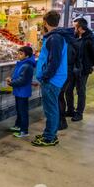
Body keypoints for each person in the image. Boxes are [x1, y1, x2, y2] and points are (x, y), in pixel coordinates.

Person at [32, 11, 68, 147]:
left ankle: (49, 138)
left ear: (45, 22)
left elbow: (55, 62)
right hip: (54, 78)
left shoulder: (55, 38)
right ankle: (50, 133)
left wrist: (45, 76)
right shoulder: (56, 37)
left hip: (52, 80)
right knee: (52, 108)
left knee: (51, 109)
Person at [65, 17, 94, 122]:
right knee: (68, 90)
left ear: (80, 27)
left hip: (82, 70)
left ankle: (79, 113)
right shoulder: (74, 36)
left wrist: (87, 65)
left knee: (80, 91)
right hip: (71, 69)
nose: (73, 28)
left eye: (74, 26)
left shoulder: (91, 38)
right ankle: (70, 110)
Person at [7, 46, 36, 138]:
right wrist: (11, 79)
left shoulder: (27, 66)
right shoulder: (21, 63)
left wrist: (11, 83)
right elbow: (18, 76)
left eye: (21, 54)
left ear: (27, 56)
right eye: (18, 53)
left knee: (23, 112)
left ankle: (24, 130)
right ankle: (18, 125)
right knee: (19, 110)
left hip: (23, 92)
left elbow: (22, 80)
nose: (18, 55)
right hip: (18, 91)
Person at [58, 27, 81, 130]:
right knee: (61, 95)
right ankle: (62, 120)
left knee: (59, 96)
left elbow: (64, 61)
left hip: (65, 73)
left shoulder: (67, 45)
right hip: (69, 73)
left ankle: (62, 122)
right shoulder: (73, 43)